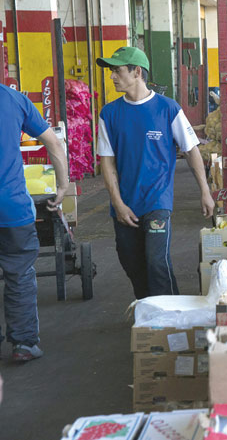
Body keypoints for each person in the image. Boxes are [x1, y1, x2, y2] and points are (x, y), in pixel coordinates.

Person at [96, 47, 215, 299]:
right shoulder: (109, 114)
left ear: (137, 72)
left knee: (156, 261)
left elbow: (192, 151)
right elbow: (107, 163)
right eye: (111, 71)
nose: (112, 77)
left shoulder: (168, 109)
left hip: (157, 200)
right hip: (125, 202)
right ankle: (148, 310)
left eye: (117, 71)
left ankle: (171, 322)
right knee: (131, 262)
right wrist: (118, 204)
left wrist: (205, 191)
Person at [0, 86, 68, 361]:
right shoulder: (14, 99)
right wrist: (62, 185)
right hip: (12, 206)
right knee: (19, 273)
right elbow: (53, 142)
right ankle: (24, 344)